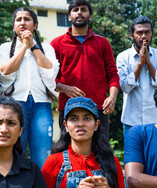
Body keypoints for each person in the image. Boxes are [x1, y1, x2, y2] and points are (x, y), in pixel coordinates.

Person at [42, 97, 128, 188]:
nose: (80, 124)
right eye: (74, 119)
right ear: (65, 125)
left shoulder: (110, 162)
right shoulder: (54, 162)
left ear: (96, 125)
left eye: (87, 118)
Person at [0, 7, 59, 169]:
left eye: (27, 19)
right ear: (13, 26)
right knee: (15, 153)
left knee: (42, 156)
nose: (23, 22)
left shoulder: (47, 49)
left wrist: (32, 46)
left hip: (41, 105)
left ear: (35, 25)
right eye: (19, 20)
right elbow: (4, 73)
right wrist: (23, 46)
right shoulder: (5, 48)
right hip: (13, 105)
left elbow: (50, 73)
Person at [51, 0, 120, 138]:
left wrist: (112, 97)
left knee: (101, 153)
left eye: (83, 9)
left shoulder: (102, 42)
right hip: (68, 107)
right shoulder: (56, 43)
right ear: (69, 16)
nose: (79, 12)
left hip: (99, 108)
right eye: (75, 10)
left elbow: (112, 74)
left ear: (90, 16)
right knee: (68, 153)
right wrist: (66, 89)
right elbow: (50, 78)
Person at [117, 16, 157, 137]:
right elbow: (125, 87)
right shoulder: (123, 57)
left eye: (147, 32)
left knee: (156, 156)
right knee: (133, 156)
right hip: (131, 120)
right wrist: (140, 63)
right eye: (139, 33)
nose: (143, 36)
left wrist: (148, 63)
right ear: (132, 36)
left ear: (152, 34)